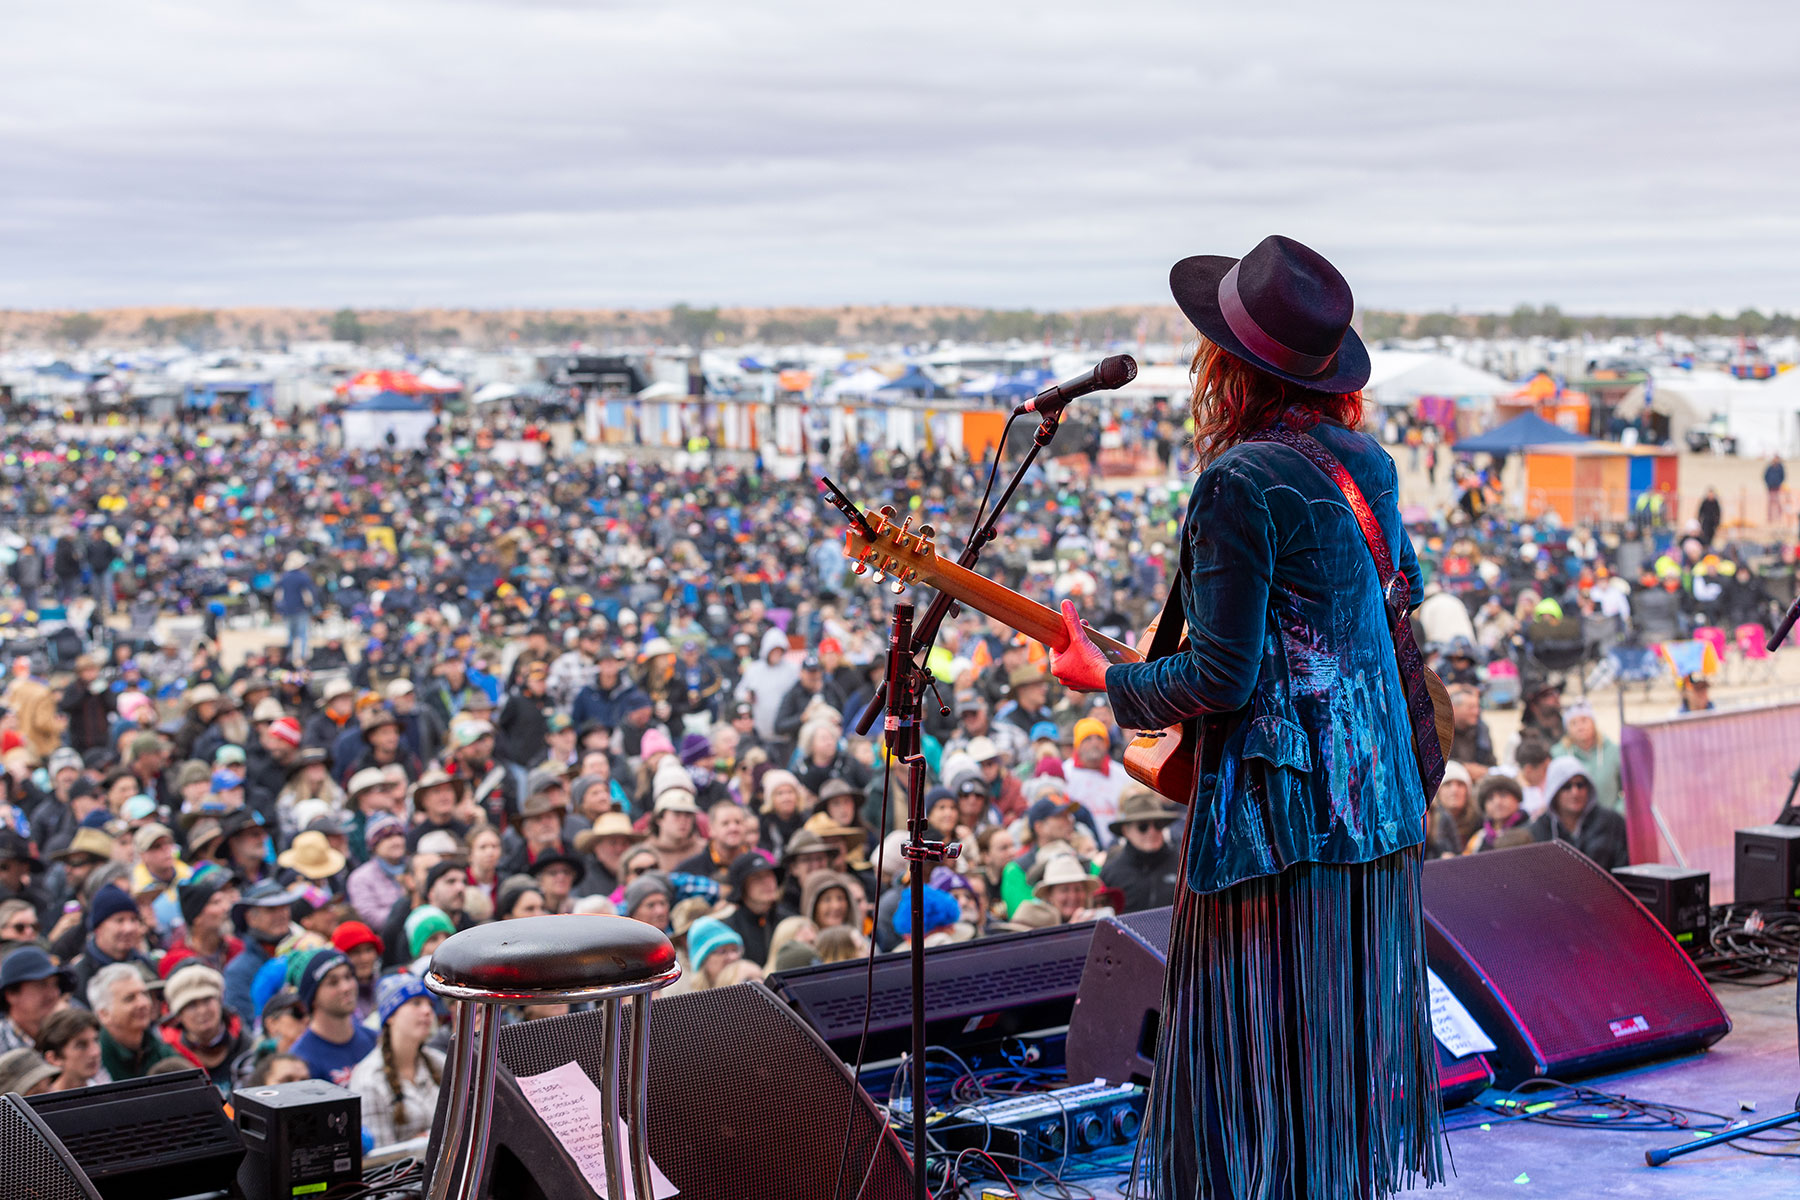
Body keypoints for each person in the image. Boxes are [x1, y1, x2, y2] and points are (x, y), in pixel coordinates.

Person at [1049, 237, 1442, 1196]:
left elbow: (1222, 679)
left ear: (1224, 366)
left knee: (1244, 1083)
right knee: (1330, 1078)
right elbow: (1385, 612)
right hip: (1376, 809)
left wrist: (1106, 681)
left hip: (1279, 821)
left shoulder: (1239, 481)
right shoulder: (1369, 461)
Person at [349, 975, 445, 1147]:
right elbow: (380, 1161)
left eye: (430, 1004)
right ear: (390, 1016)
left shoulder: (441, 1062)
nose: (427, 1011)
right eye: (416, 1003)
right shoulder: (368, 1079)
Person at [289, 950, 379, 1085]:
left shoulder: (374, 1039)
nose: (346, 987)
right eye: (333, 982)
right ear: (312, 998)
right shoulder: (302, 1059)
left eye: (349, 977)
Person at [157, 965, 251, 1094]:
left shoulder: (246, 1044)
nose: (202, 1010)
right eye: (191, 1005)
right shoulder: (169, 1055)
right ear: (178, 1016)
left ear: (220, 1002)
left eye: (207, 1000)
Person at [1529, 756, 1628, 870]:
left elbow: (1624, 867)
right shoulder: (1539, 829)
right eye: (1566, 786)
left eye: (1580, 785)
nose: (1575, 792)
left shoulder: (1612, 822)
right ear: (1554, 790)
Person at [90, 962, 177, 1080]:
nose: (143, 1003)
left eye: (144, 994)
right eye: (129, 998)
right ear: (104, 1014)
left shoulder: (162, 1050)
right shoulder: (94, 1060)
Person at [1099, 788, 1182, 913]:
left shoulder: (1182, 866)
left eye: (1158, 824)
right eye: (1143, 826)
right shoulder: (1111, 872)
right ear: (1125, 831)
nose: (1152, 831)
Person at [0, 946, 73, 1052]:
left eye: (56, 984)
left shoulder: (71, 1035)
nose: (53, 994)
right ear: (11, 994)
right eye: (41, 985)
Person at [1554, 700, 1622, 813]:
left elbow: (1629, 790)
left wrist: (1618, 814)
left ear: (1593, 723)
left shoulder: (1614, 752)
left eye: (1584, 721)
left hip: (1610, 820)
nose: (1580, 727)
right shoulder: (1558, 754)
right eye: (1573, 723)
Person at [35, 1006, 106, 1091]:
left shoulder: (106, 1092)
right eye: (81, 1045)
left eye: (96, 1040)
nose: (95, 1052)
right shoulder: (44, 1102)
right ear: (54, 1058)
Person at [1426, 761, 1479, 858]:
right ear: (1437, 792)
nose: (1454, 790)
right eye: (1447, 784)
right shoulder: (1428, 825)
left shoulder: (1479, 823)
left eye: (1460, 785)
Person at [1471, 775, 1533, 853]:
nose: (1497, 802)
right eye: (1490, 798)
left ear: (1517, 798)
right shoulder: (1479, 838)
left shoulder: (1534, 828)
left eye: (1503, 795)